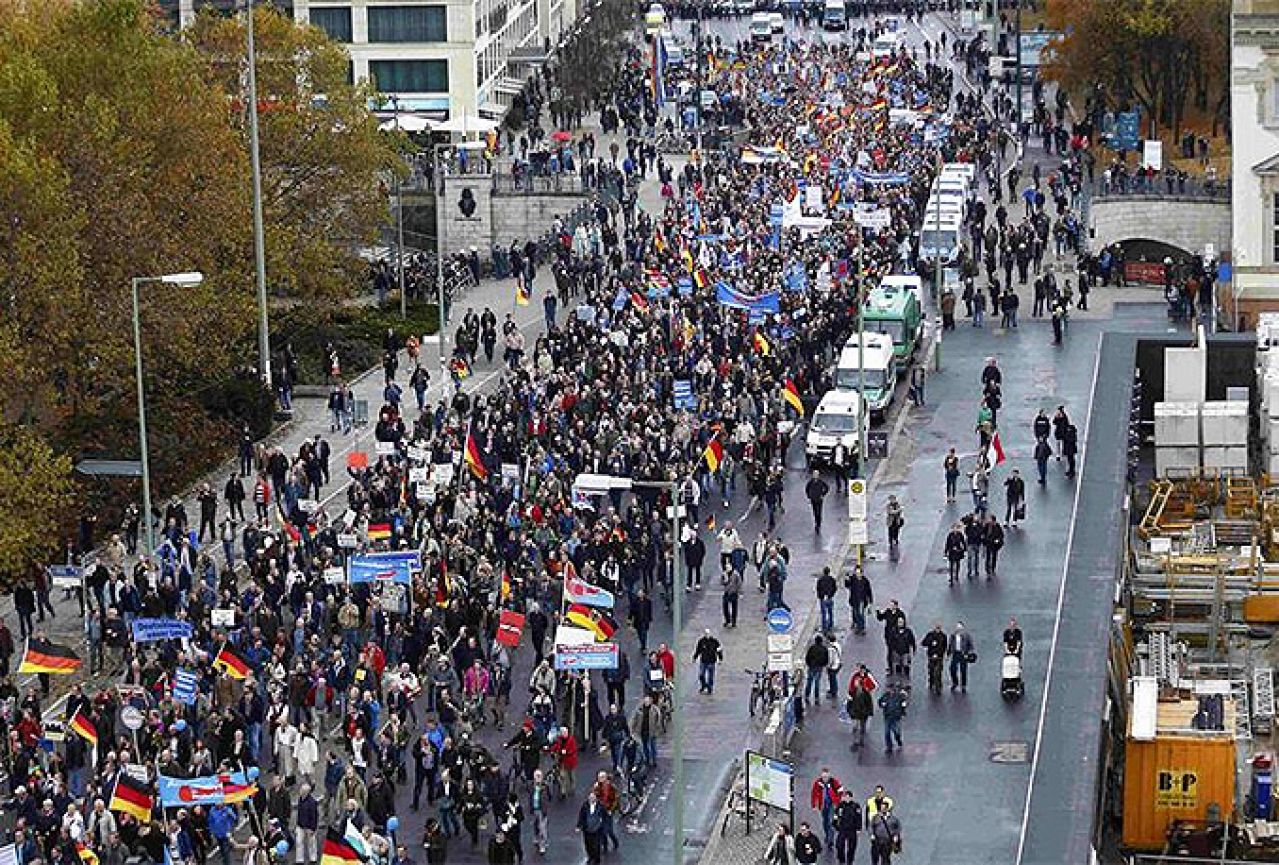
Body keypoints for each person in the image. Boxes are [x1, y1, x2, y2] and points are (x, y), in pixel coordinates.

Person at [808, 769, 841, 848]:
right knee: (825, 822)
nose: (824, 778)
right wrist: (813, 805)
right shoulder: (818, 783)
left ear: (829, 776)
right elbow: (814, 793)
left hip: (832, 805)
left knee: (831, 822)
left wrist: (837, 802)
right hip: (822, 805)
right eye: (823, 777)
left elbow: (840, 792)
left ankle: (830, 840)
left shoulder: (834, 782)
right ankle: (827, 834)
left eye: (826, 777)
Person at [868, 800, 902, 865]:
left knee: (885, 858)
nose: (882, 809)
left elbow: (898, 828)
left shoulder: (893, 819)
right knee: (874, 857)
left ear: (887, 809)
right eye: (881, 808)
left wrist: (896, 836)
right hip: (877, 841)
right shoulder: (876, 817)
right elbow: (871, 826)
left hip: (887, 841)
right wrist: (872, 834)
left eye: (884, 808)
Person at [833, 789, 862, 865]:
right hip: (842, 828)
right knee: (839, 845)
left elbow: (859, 817)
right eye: (846, 797)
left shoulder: (856, 806)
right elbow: (836, 816)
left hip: (852, 829)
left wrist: (859, 828)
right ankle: (841, 859)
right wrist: (835, 825)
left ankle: (850, 860)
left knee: (852, 846)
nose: (847, 799)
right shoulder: (840, 805)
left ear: (851, 798)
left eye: (849, 797)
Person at [846, 672, 874, 750]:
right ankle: (857, 740)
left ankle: (860, 740)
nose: (855, 683)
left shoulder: (865, 693)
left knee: (862, 727)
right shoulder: (852, 692)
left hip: (863, 713)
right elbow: (849, 702)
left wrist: (869, 712)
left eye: (856, 682)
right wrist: (849, 710)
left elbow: (869, 703)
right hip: (855, 712)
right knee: (855, 727)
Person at [576, 792, 606, 865]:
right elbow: (581, 816)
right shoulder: (585, 805)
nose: (591, 799)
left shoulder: (600, 806)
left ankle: (596, 859)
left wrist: (602, 825)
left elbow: (604, 817)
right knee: (588, 844)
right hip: (587, 829)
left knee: (596, 845)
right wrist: (579, 826)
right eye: (590, 797)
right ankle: (590, 857)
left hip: (597, 829)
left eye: (593, 797)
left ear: (596, 798)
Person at [878, 681, 908, 754]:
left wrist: (903, 709)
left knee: (896, 731)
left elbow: (904, 703)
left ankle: (898, 740)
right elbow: (880, 702)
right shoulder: (885, 696)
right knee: (887, 733)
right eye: (888, 689)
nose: (889, 690)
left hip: (896, 717)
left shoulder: (899, 696)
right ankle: (889, 747)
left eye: (890, 689)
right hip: (888, 717)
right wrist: (882, 704)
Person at [693, 629, 723, 695]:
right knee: (701, 675)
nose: (707, 635)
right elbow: (698, 650)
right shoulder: (701, 641)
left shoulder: (715, 642)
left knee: (711, 676)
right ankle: (704, 685)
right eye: (706, 633)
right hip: (703, 661)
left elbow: (719, 650)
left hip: (711, 661)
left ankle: (710, 688)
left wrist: (720, 658)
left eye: (708, 633)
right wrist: (695, 657)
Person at [920, 623, 947, 695]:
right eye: (936, 628)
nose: (938, 629)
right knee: (931, 671)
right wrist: (930, 642)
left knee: (938, 672)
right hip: (931, 657)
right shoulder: (930, 635)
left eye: (939, 628)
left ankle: (938, 687)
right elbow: (923, 643)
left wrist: (942, 654)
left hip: (939, 657)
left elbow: (945, 646)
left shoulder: (943, 636)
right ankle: (931, 683)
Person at [948, 622, 976, 692]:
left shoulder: (967, 636)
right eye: (957, 627)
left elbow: (971, 645)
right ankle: (955, 682)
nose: (959, 628)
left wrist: (969, 653)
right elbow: (950, 645)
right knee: (952, 669)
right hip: (955, 653)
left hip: (963, 654)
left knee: (963, 670)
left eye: (960, 627)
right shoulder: (953, 635)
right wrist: (948, 654)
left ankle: (963, 685)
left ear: (963, 628)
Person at [845, 566, 872, 635]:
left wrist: (870, 601)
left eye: (859, 573)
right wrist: (846, 580)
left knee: (861, 614)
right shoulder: (853, 579)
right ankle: (858, 626)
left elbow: (869, 591)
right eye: (856, 573)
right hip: (854, 600)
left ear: (862, 573)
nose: (857, 574)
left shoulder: (865, 581)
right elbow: (847, 586)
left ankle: (862, 628)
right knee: (856, 614)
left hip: (862, 600)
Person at [803, 635, 830, 706]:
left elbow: (807, 657)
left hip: (811, 667)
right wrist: (823, 665)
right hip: (819, 667)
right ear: (821, 641)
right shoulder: (824, 649)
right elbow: (826, 659)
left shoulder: (812, 648)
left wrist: (809, 664)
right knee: (817, 683)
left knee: (809, 681)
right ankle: (816, 697)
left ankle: (807, 695)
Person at [816, 566, 837, 634]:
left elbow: (818, 588)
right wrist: (831, 595)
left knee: (824, 613)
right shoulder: (832, 579)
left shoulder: (820, 580)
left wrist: (820, 596)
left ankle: (824, 627)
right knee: (830, 612)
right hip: (829, 597)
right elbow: (835, 588)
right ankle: (831, 625)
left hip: (823, 599)